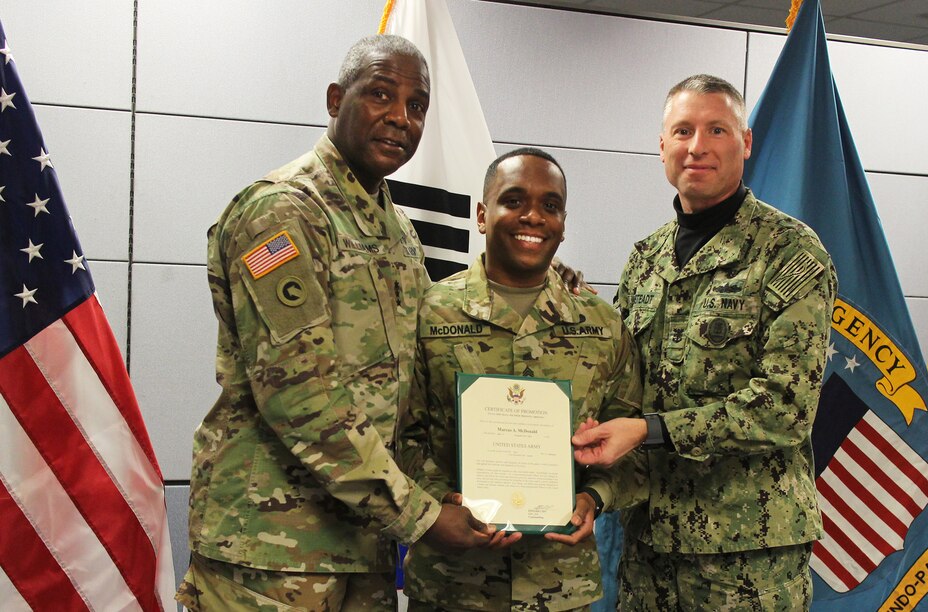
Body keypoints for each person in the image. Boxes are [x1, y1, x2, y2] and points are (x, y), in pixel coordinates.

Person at [177, 34, 495, 610]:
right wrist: (420, 515)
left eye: (416, 105)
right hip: (270, 552)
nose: (400, 118)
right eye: (380, 94)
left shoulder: (396, 230)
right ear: (334, 99)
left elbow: (419, 370)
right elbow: (300, 393)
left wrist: (541, 281)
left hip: (362, 545)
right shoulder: (282, 211)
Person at [571, 74, 837, 610]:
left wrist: (650, 429)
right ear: (662, 145)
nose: (698, 146)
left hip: (745, 558)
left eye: (716, 129)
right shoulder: (646, 259)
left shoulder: (789, 251)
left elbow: (785, 408)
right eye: (683, 130)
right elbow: (623, 389)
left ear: (746, 142)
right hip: (648, 549)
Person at [399, 148, 646, 611]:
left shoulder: (602, 325)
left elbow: (631, 446)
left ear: (564, 222)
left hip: (560, 587)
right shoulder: (428, 314)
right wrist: (442, 500)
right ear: (481, 214)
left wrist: (595, 497)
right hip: (451, 586)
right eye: (513, 201)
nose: (533, 217)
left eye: (550, 206)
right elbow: (400, 437)